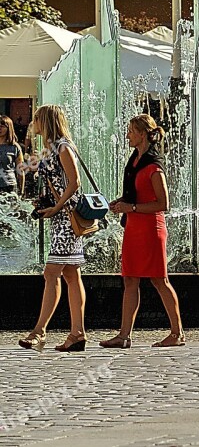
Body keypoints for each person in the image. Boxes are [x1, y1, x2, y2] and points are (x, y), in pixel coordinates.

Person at [100, 114, 185, 349]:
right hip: (134, 226)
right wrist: (121, 203)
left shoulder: (153, 164)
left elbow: (163, 203)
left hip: (150, 228)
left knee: (159, 280)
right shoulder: (136, 159)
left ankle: (177, 333)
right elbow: (135, 195)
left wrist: (132, 207)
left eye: (130, 131)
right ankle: (124, 335)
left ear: (142, 133)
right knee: (129, 279)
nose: (127, 135)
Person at [18, 105, 88, 352]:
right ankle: (77, 333)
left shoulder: (62, 147)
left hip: (67, 219)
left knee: (51, 273)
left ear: (45, 121)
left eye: (35, 119)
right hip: (61, 218)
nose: (31, 123)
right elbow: (23, 167)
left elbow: (75, 182)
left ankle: (39, 332)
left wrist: (57, 207)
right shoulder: (50, 148)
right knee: (71, 274)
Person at [0, 115, 24, 195]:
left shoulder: (14, 147)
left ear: (9, 128)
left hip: (9, 185)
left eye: (2, 126)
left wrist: (22, 191)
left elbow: (20, 170)